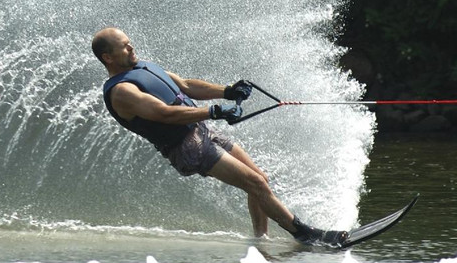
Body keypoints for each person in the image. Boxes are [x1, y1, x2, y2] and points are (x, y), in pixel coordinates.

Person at [91, 27, 345, 246]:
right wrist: (214, 111)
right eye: (124, 47)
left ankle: (260, 241)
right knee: (255, 183)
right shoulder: (122, 91)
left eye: (129, 43)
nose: (131, 47)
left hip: (201, 130)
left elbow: (187, 86)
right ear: (108, 57)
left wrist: (228, 91)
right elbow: (165, 114)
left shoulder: (144, 67)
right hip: (185, 146)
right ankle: (307, 236)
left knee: (260, 180)